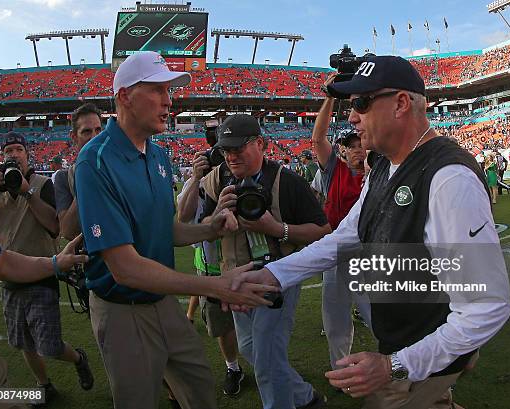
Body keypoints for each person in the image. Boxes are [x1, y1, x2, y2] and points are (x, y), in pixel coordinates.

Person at [232, 55, 510, 409]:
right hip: (407, 344)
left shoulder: (449, 179)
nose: (351, 117)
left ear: (401, 104)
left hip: (421, 356)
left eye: (361, 103)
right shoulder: (383, 164)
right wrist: (273, 275)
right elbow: (346, 235)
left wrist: (394, 366)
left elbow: (486, 306)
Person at [74, 52, 277, 409]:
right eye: (157, 90)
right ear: (125, 96)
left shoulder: (157, 155)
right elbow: (125, 267)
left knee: (199, 387)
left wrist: (208, 228)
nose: (169, 101)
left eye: (169, 90)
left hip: (161, 300)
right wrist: (213, 285)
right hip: (122, 307)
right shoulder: (95, 161)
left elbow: (164, 231)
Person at [199, 114, 331, 409]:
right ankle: (305, 397)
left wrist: (277, 229)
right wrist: (216, 216)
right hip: (237, 278)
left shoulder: (288, 182)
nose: (231, 156)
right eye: (225, 150)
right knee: (249, 348)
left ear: (261, 144)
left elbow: (323, 231)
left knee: (268, 363)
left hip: (277, 277)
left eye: (238, 148)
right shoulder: (219, 178)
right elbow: (201, 225)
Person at [0, 132, 94, 407]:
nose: (14, 154)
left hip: (41, 272)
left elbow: (55, 227)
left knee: (49, 345)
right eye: (9, 150)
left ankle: (77, 358)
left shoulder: (42, 184)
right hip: (7, 276)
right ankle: (44, 386)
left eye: (19, 149)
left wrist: (26, 191)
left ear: (28, 154)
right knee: (23, 343)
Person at [311, 74, 372, 373]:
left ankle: (401, 364)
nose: (357, 148)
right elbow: (317, 138)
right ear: (343, 150)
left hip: (367, 254)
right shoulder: (333, 169)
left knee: (376, 313)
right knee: (334, 316)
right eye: (351, 145)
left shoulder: (379, 169)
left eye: (361, 142)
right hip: (336, 251)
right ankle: (341, 368)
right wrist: (330, 97)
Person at [176, 150, 244, 396]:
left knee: (255, 325)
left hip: (242, 266)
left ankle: (263, 365)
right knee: (222, 327)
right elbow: (182, 219)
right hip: (210, 269)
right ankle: (233, 367)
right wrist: (196, 178)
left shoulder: (242, 181)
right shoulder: (195, 184)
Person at [54, 103, 103, 241]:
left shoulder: (117, 168)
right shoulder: (64, 177)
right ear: (74, 137)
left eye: (98, 130)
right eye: (87, 131)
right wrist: (86, 180)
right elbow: (67, 231)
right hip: (88, 258)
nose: (95, 137)